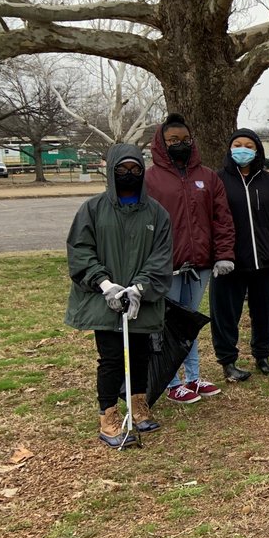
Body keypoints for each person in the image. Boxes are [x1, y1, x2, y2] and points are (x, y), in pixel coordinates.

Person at [65, 145, 172, 447]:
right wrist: (105, 284)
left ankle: (138, 404)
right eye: (122, 169)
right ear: (111, 171)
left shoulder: (157, 213)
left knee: (140, 354)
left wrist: (139, 288)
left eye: (135, 169)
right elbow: (80, 249)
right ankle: (108, 414)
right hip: (105, 300)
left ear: (142, 171)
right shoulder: (93, 209)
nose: (129, 175)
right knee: (111, 357)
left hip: (141, 301)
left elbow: (161, 256)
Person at [146, 113, 235, 402]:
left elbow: (221, 219)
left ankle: (193, 377)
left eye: (185, 140)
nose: (180, 144)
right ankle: (172, 383)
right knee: (169, 325)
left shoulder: (207, 177)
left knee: (190, 322)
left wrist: (223, 255)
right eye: (173, 140)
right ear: (162, 142)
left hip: (201, 265)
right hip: (166, 266)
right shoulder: (150, 179)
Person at [210, 128, 269, 380]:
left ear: (257, 150)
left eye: (248, 145)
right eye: (237, 144)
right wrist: (218, 253)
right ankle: (228, 362)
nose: (242, 149)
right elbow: (207, 218)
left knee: (263, 311)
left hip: (265, 261)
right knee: (225, 313)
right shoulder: (218, 180)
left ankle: (263, 355)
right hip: (230, 262)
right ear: (229, 148)